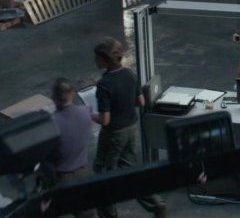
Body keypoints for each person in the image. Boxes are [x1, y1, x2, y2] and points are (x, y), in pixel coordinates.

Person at [92, 37, 167, 218]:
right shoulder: (130, 75)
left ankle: (108, 215)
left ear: (104, 59)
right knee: (129, 171)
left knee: (103, 173)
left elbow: (105, 120)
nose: (95, 61)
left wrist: (87, 114)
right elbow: (140, 102)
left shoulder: (104, 85)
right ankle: (156, 203)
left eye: (96, 58)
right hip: (131, 129)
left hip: (113, 134)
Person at [47, 78, 94, 218]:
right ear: (73, 94)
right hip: (83, 173)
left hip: (60, 179)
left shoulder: (51, 123)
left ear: (53, 98)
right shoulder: (85, 112)